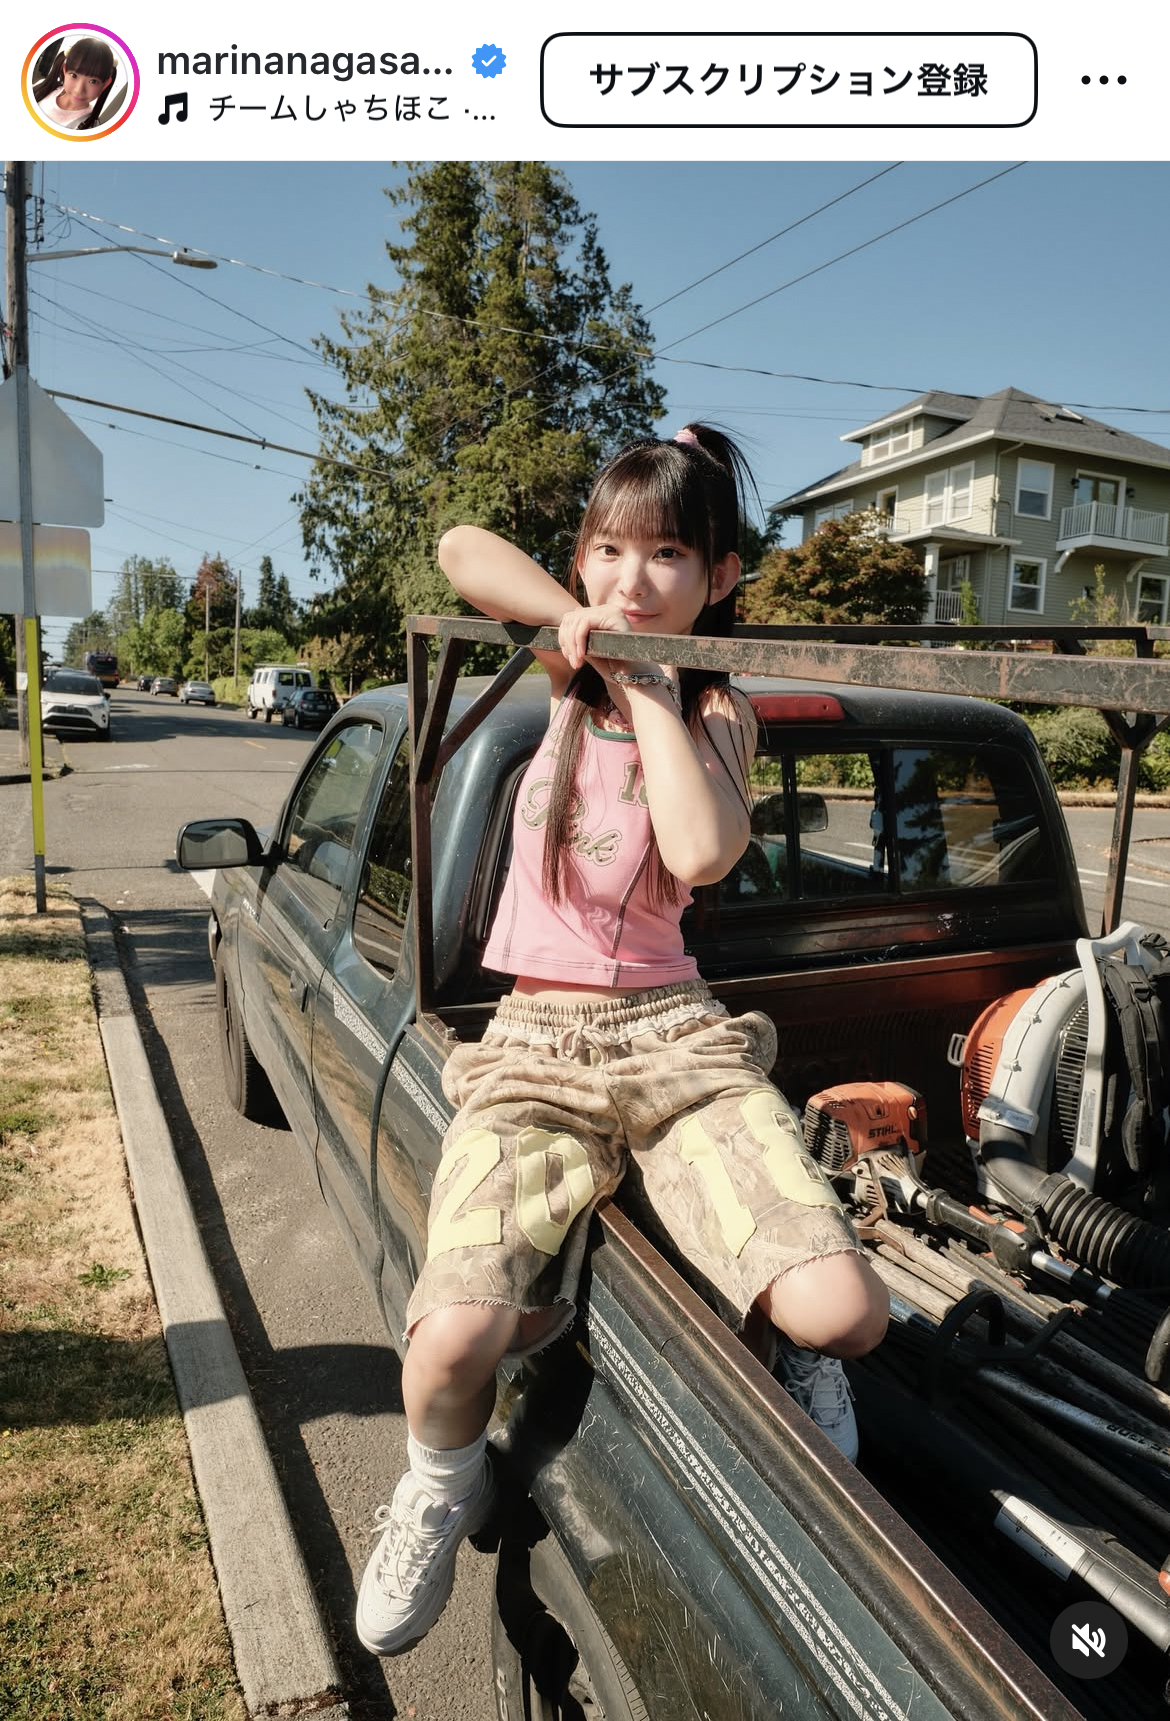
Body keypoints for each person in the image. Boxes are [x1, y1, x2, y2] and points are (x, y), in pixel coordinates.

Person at [356, 425, 890, 1657]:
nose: (630, 579)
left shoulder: (718, 713)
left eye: (666, 556)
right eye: (608, 549)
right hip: (534, 1040)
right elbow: (459, 546)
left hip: (672, 1036)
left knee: (845, 1311)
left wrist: (651, 685)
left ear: (721, 577)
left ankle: (794, 1353)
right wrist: (575, 623)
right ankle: (441, 1480)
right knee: (450, 1340)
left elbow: (700, 852)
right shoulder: (568, 667)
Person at [33, 37, 117, 132]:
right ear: (64, 70)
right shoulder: (41, 89)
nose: (79, 90)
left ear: (105, 84)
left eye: (93, 81)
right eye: (74, 75)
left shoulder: (90, 128)